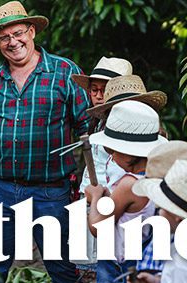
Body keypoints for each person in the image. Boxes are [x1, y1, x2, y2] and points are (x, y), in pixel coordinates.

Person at [0, 1, 90, 283]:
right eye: (4, 38)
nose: (13, 42)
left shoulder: (64, 72)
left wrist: (90, 186)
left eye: (18, 33)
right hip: (0, 188)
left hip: (51, 191)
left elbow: (86, 129)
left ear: (32, 31)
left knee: (63, 268)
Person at [84, 100, 168, 283]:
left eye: (113, 151)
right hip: (147, 259)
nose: (111, 156)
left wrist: (96, 197)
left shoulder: (128, 185)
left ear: (128, 153)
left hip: (121, 263)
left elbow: (98, 227)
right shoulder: (160, 174)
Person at [70, 57, 133, 270]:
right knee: (101, 264)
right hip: (94, 196)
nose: (97, 95)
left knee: (118, 262)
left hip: (116, 200)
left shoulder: (129, 126)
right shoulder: (97, 122)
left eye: (103, 90)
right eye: (93, 89)